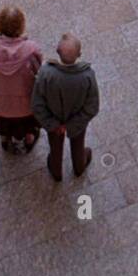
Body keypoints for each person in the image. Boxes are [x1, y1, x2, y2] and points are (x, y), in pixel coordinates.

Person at [31, 32, 100, 183]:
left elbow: (37, 104)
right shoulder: (87, 75)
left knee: (55, 148)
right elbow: (92, 106)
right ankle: (79, 166)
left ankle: (56, 171)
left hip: (53, 123)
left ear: (57, 51)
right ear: (79, 54)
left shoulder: (45, 73)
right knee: (78, 144)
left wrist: (54, 125)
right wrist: (72, 125)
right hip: (77, 123)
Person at [0, 6, 43, 155]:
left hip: (0, 99)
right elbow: (38, 69)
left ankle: (5, 137)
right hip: (24, 99)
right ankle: (28, 138)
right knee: (26, 120)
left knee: (3, 118)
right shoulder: (31, 48)